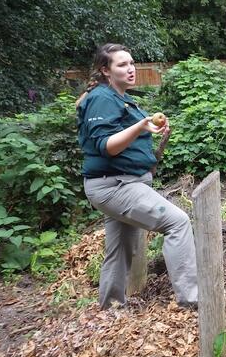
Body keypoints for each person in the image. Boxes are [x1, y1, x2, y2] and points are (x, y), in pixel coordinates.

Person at [76, 43, 198, 309]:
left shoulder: (121, 98)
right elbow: (107, 146)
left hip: (121, 182)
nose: (131, 69)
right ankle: (193, 300)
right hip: (115, 185)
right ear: (105, 70)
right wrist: (140, 125)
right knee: (177, 222)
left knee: (120, 247)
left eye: (131, 63)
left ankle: (110, 307)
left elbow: (131, 146)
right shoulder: (102, 98)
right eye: (122, 64)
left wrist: (155, 136)